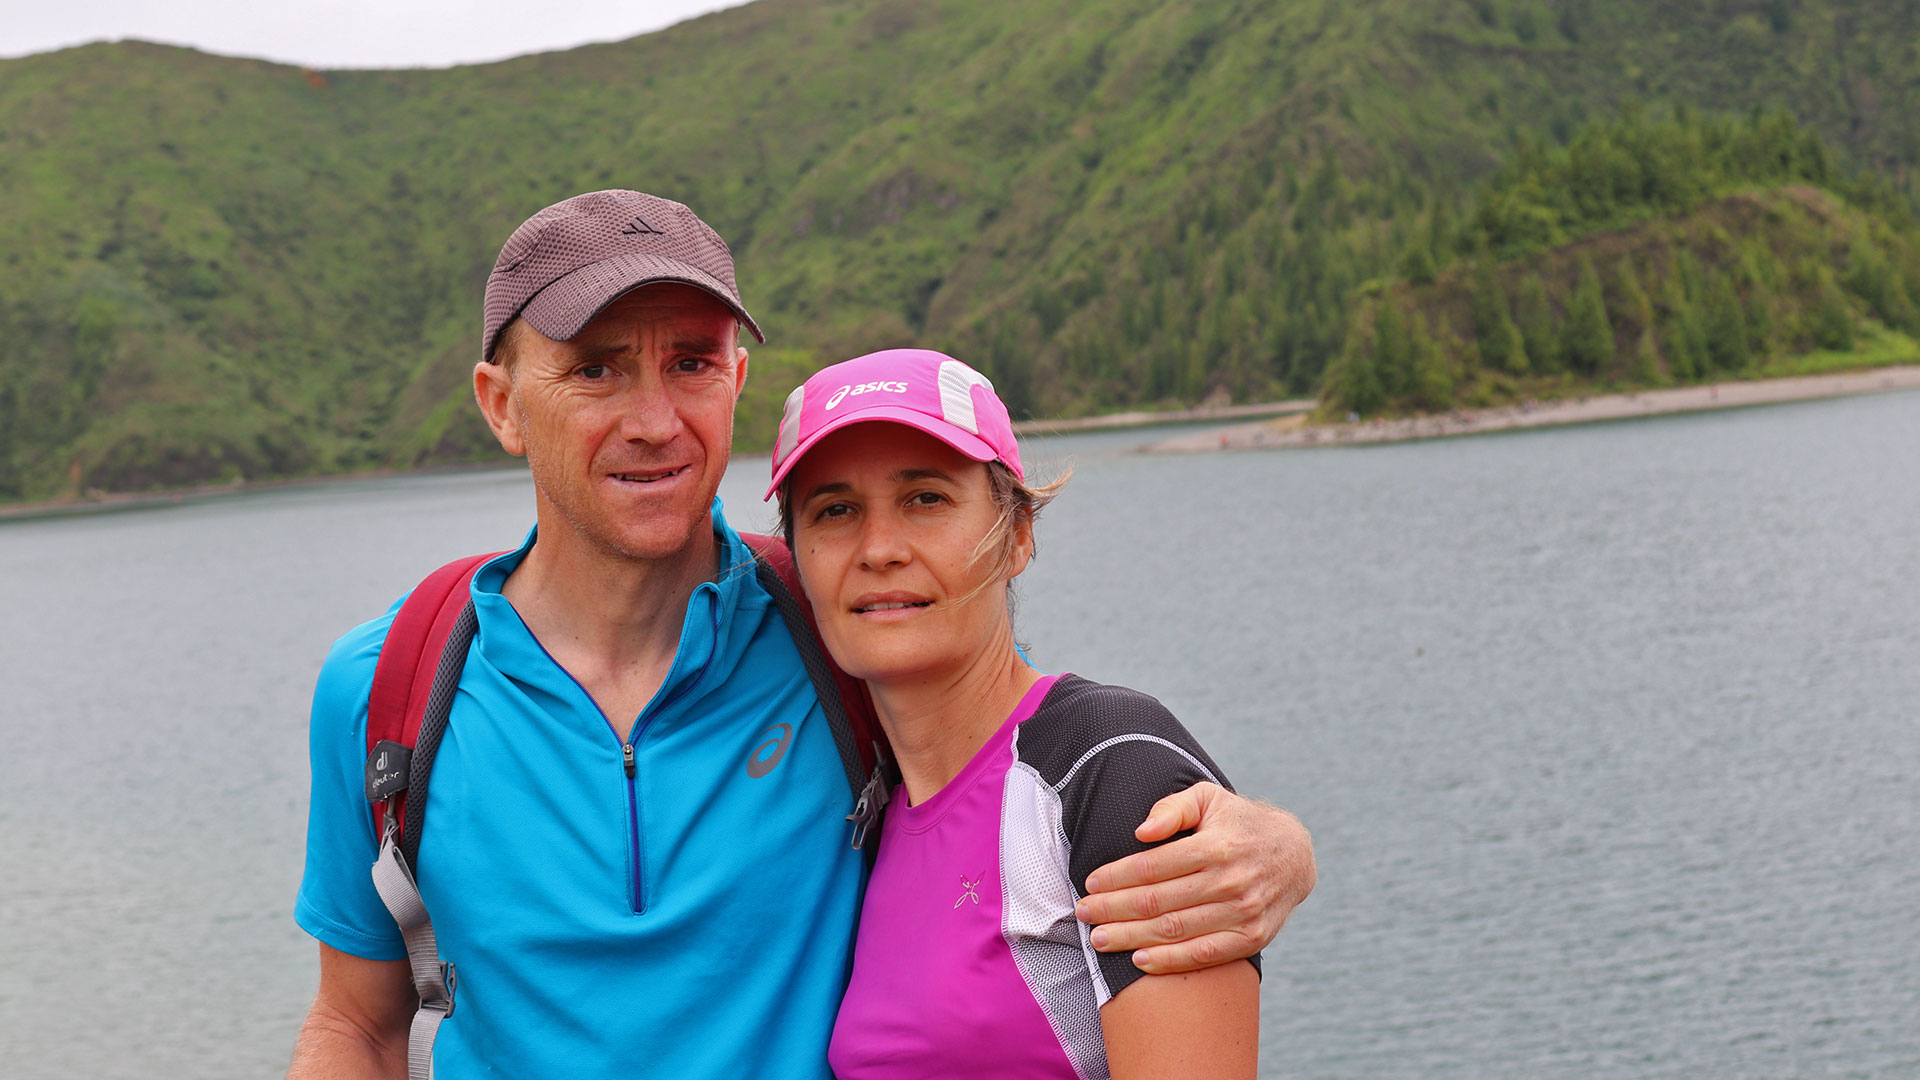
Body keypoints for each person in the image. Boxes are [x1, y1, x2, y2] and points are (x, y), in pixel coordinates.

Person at [288, 190, 1315, 1079]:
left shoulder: (834, 639)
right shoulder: (392, 689)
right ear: (502, 405)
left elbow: (1031, 756)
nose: (652, 420)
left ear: (735, 382)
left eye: (689, 362)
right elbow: (356, 1022)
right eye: (596, 371)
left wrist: (1275, 842)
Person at [768, 349, 1260, 1078]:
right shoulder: (864, 811)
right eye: (835, 510)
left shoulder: (1109, 770)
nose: (879, 549)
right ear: (796, 559)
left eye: (925, 499)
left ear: (1018, 532)